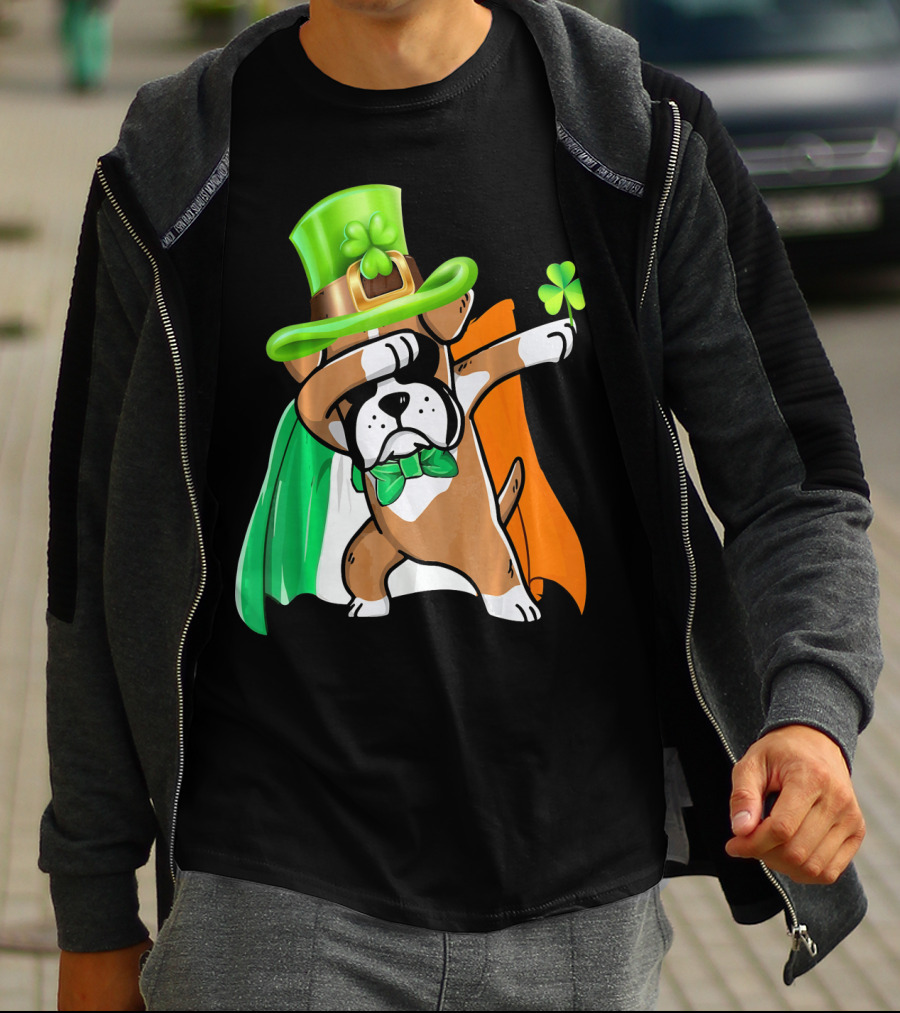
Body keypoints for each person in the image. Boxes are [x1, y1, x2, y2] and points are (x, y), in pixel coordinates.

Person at [41, 0, 880, 1009]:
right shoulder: (175, 167)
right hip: (268, 899)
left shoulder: (634, 136)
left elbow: (797, 480)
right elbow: (89, 559)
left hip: (582, 901)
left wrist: (813, 715)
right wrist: (93, 908)